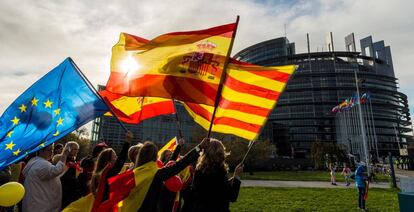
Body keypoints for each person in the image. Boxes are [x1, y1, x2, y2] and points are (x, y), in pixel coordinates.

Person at [119, 138, 209, 212]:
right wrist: (199, 147)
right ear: (154, 157)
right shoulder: (156, 174)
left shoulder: (132, 173)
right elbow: (180, 164)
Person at [190, 138, 243, 212]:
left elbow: (196, 193)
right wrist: (236, 176)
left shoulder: (198, 171)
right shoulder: (220, 172)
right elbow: (232, 197)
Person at [22, 143, 69, 212]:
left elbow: (52, 175)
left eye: (52, 149)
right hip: (40, 206)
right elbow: (57, 170)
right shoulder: (42, 164)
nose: (51, 152)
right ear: (41, 151)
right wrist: (64, 154)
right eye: (49, 150)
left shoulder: (35, 161)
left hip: (35, 203)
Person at [90, 131, 133, 202]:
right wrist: (127, 141)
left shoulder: (98, 173)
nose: (116, 159)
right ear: (108, 160)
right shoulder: (108, 172)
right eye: (114, 157)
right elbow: (120, 161)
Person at [60, 141, 81, 208]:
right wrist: (75, 179)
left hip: (72, 190)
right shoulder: (63, 160)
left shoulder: (73, 160)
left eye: (77, 149)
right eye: (75, 149)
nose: (77, 151)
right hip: (65, 190)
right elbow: (62, 175)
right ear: (69, 149)